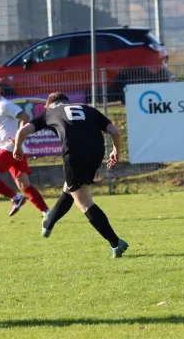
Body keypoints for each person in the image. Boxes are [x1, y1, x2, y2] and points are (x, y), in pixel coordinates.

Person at [13, 91, 129, 258]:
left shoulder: (50, 112)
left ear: (49, 105)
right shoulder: (88, 109)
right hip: (97, 152)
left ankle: (115, 242)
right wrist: (116, 151)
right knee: (70, 188)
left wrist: (17, 149)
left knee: (84, 202)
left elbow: (21, 132)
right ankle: (49, 222)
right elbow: (115, 132)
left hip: (74, 153)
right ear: (67, 101)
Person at [0, 78, 51, 218]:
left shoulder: (5, 105)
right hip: (15, 150)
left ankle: (16, 198)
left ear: (0, 89)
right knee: (24, 185)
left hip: (9, 148)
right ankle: (47, 212)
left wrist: (19, 136)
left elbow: (25, 117)